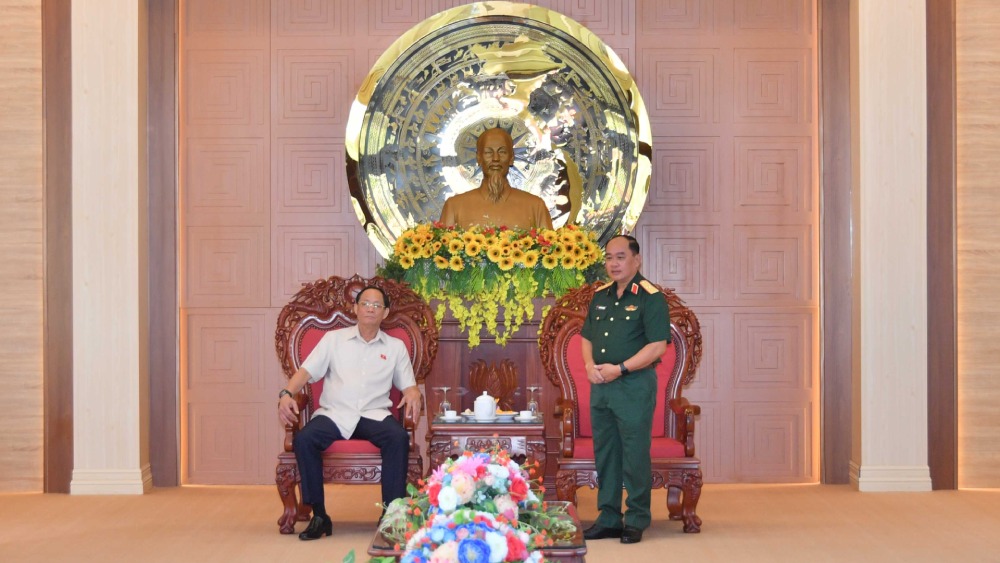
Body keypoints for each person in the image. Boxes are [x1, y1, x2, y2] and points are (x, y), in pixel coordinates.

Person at [277, 285, 422, 541]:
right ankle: (320, 516)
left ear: (385, 312)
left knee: (398, 438)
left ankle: (390, 515)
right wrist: (286, 394)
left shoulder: (395, 346)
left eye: (377, 305)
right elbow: (306, 372)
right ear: (355, 308)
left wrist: (413, 393)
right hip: (334, 413)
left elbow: (408, 385)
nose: (370, 308)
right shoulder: (334, 340)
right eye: (365, 303)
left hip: (374, 415)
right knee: (305, 438)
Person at [579, 235, 670, 545]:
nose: (613, 264)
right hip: (601, 387)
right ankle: (608, 518)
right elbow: (587, 336)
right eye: (608, 258)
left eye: (620, 257)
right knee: (605, 453)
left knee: (633, 455)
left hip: (633, 385)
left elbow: (657, 346)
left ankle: (635, 518)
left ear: (637, 259)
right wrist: (590, 367)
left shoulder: (650, 297)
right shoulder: (600, 296)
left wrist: (620, 369)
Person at [438, 127, 554, 229]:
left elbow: (548, 250)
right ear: (478, 158)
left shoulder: (535, 206)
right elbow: (444, 250)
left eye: (502, 152)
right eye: (488, 152)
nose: (495, 158)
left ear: (511, 158)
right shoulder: (454, 206)